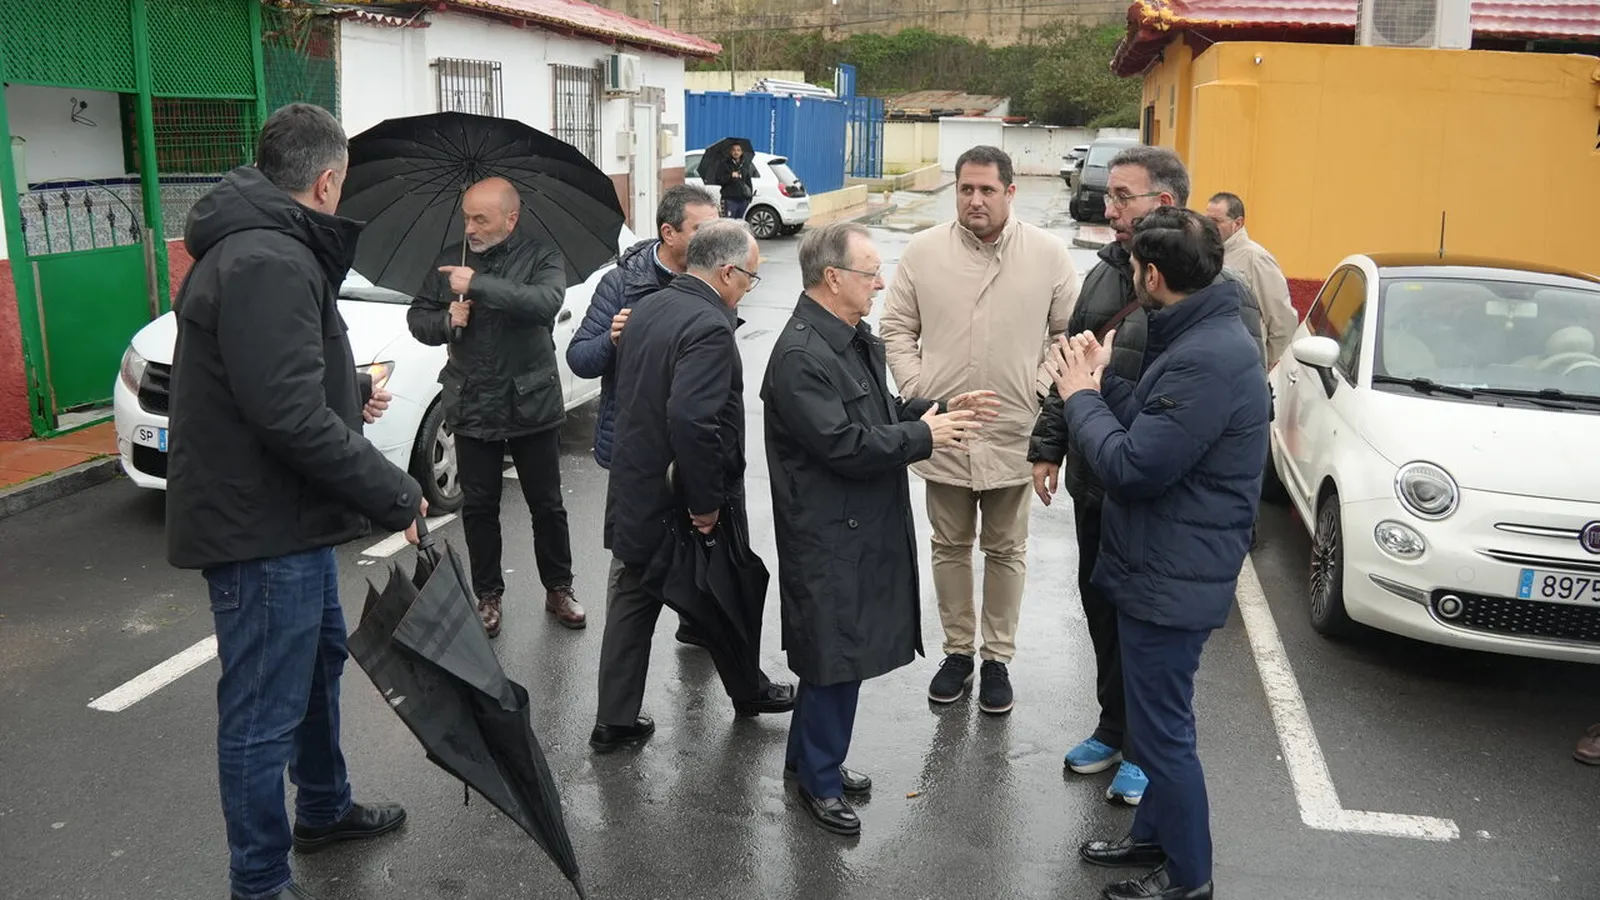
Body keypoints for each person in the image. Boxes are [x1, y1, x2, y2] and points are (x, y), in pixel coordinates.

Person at [166, 103, 423, 900]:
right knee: (260, 712)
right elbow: (283, 414)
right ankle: (259, 880)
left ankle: (323, 807)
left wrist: (347, 392)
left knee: (316, 671)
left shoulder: (268, 247)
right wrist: (395, 490)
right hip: (261, 530)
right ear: (326, 181)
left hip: (290, 518)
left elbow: (271, 383)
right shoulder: (268, 258)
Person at [1031, 145, 1268, 806]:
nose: (1107, 209)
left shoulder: (1219, 295)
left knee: (1153, 640)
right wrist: (1049, 445)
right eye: (1108, 196)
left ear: (1162, 203)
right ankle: (1113, 727)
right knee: (1104, 618)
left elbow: (1232, 406)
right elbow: (1072, 366)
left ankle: (1145, 750)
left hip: (1158, 498)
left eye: (1121, 197)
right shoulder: (1107, 275)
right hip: (1099, 484)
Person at [762, 223, 997, 835]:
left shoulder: (846, 338)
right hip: (827, 532)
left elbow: (878, 412)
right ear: (833, 278)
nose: (881, 283)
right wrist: (924, 437)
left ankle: (808, 760)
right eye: (870, 273)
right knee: (835, 653)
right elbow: (843, 445)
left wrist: (935, 412)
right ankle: (819, 781)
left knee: (836, 651)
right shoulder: (802, 356)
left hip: (854, 524)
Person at [879, 145, 1078, 716]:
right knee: (949, 545)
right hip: (944, 430)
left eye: (987, 189)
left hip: (1015, 429)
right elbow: (896, 327)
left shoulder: (1047, 254)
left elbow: (1068, 334)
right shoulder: (924, 252)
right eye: (966, 189)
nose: (975, 200)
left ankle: (997, 659)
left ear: (1010, 192)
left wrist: (1037, 390)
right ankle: (958, 653)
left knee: (1007, 548)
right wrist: (921, 391)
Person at [591, 219, 796, 753]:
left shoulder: (648, 307)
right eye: (749, 277)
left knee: (633, 600)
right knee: (726, 591)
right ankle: (749, 690)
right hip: (683, 497)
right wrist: (705, 505)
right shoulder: (708, 325)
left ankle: (614, 720)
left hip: (636, 488)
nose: (749, 288)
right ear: (726, 272)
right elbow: (692, 420)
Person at [407, 176, 584, 637]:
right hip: (472, 402)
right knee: (480, 508)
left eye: (481, 219)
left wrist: (479, 285)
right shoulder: (451, 259)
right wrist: (446, 320)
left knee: (546, 504)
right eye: (466, 217)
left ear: (511, 218)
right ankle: (488, 596)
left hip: (531, 400)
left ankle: (559, 588)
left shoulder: (541, 257)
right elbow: (417, 318)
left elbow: (545, 302)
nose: (470, 227)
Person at [567, 184, 720, 648]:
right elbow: (580, 358)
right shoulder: (620, 284)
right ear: (669, 233)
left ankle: (698, 621)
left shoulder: (715, 277)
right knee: (634, 561)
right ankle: (624, 658)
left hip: (692, 438)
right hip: (635, 447)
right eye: (702, 229)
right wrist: (612, 340)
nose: (714, 238)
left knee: (704, 538)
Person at [1205, 192, 1298, 366]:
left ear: (1237, 223)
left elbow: (1282, 320)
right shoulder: (1207, 253)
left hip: (1243, 363)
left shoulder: (1256, 258)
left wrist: (1265, 362)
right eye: (1207, 220)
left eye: (1216, 221)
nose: (1209, 226)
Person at [713, 141, 757, 220]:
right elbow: (719, 180)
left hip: (743, 200)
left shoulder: (744, 165)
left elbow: (748, 181)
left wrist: (749, 197)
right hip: (729, 199)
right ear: (730, 151)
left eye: (738, 150)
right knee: (728, 223)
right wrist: (730, 176)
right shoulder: (724, 164)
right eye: (733, 150)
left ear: (742, 152)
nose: (736, 152)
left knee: (739, 223)